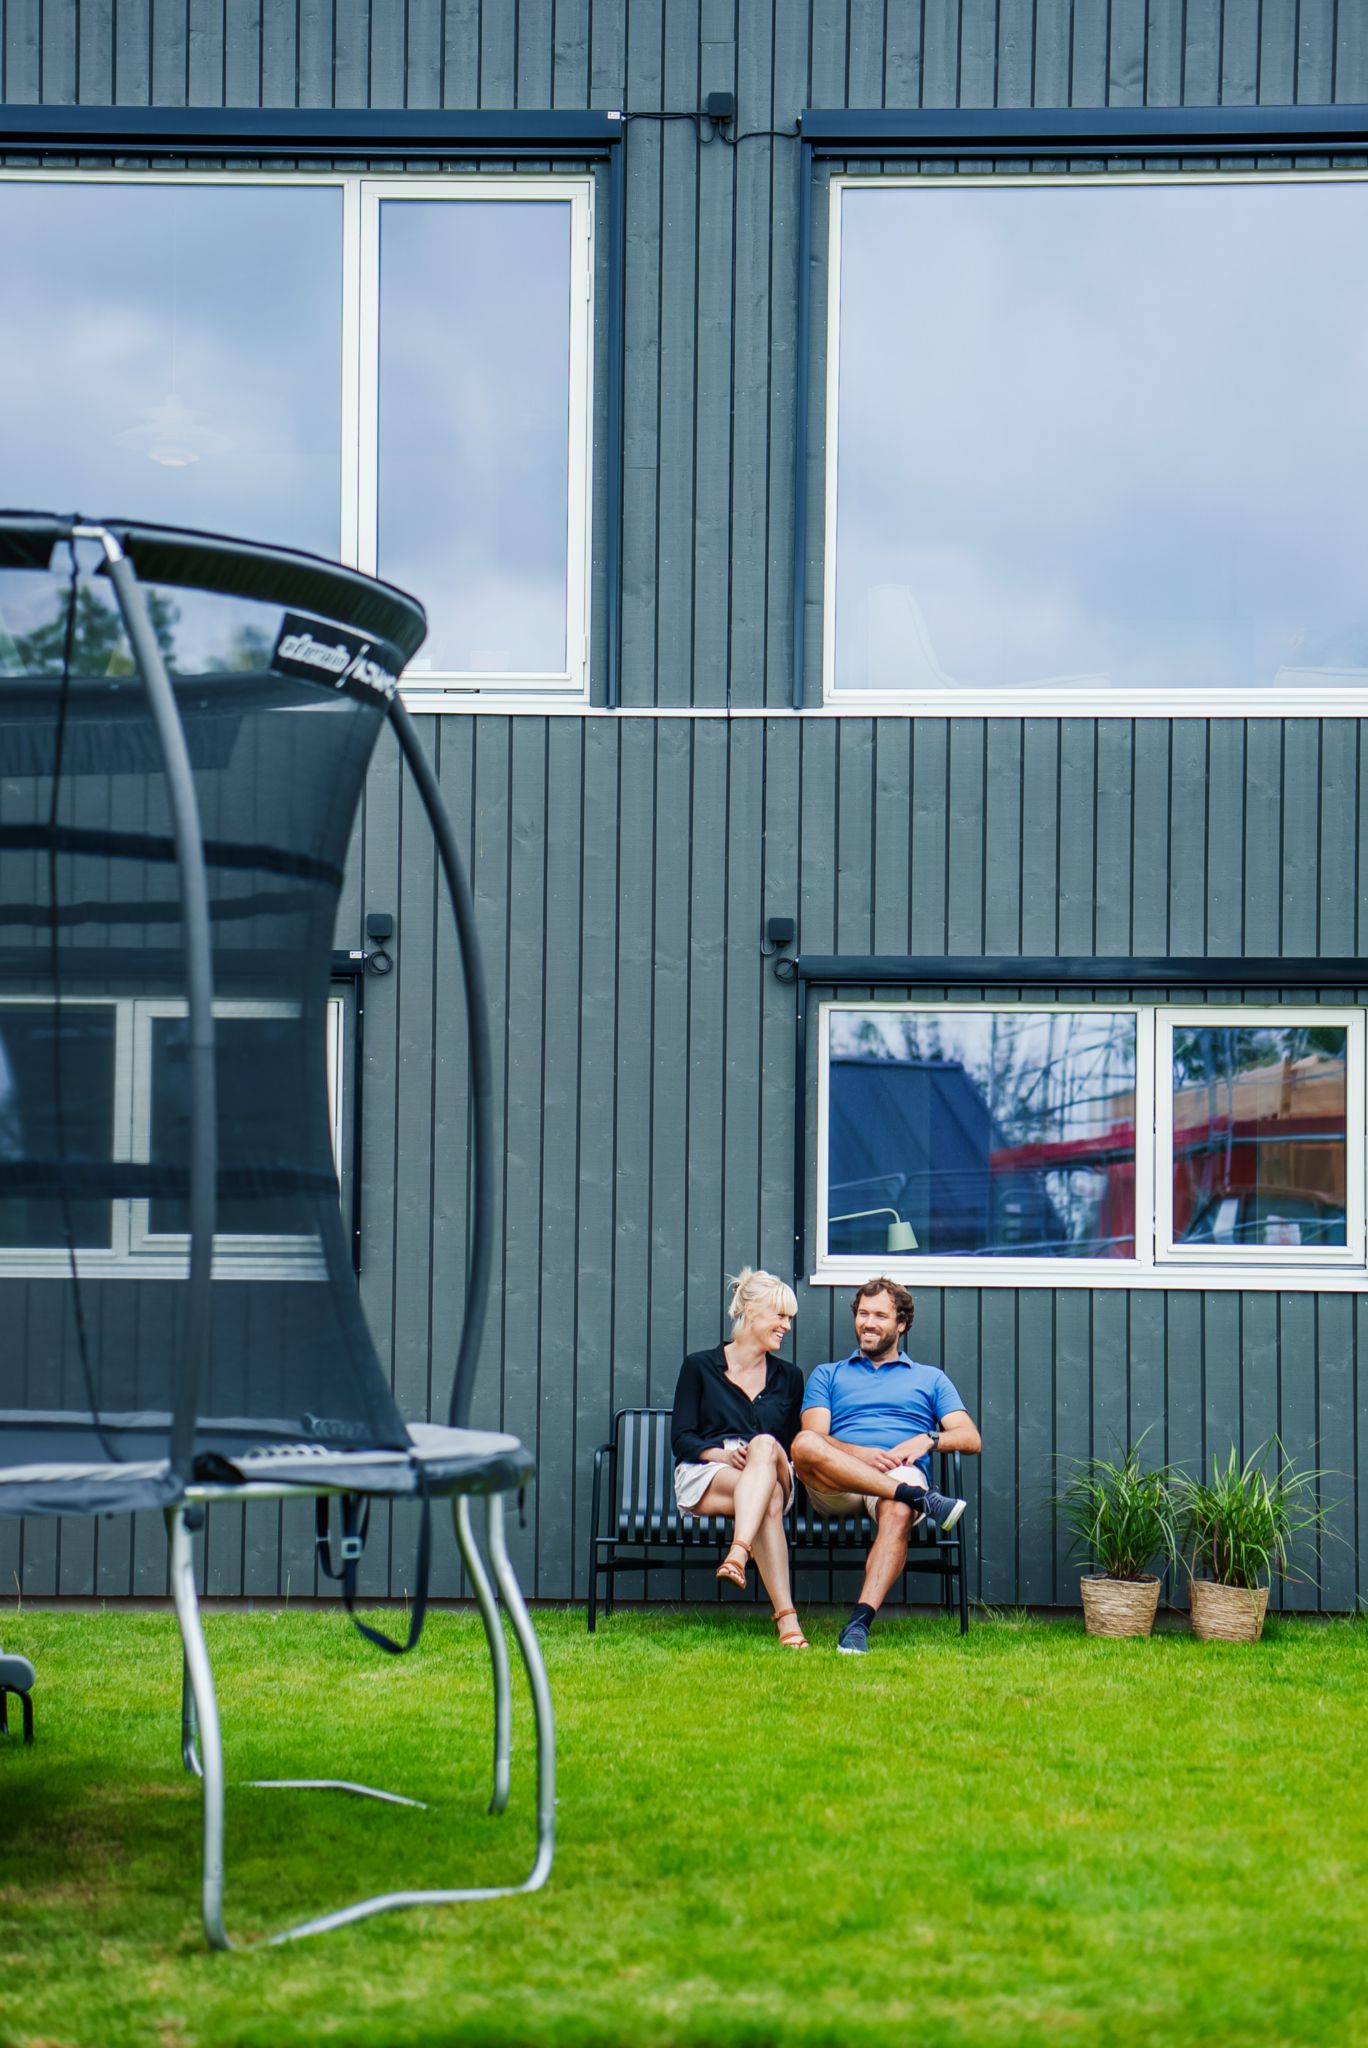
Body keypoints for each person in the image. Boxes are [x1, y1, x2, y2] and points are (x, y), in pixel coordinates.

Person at [791, 1276, 981, 1656]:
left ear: (902, 1324)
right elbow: (815, 1438)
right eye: (863, 1313)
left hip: (897, 1473)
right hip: (838, 1482)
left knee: (897, 1505)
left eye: (880, 1314)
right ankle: (921, 1498)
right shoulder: (828, 1374)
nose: (868, 1322)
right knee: (803, 1442)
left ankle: (859, 1623)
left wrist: (929, 1438)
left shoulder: (930, 1379)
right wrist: (862, 1455)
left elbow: (970, 1438)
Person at [670, 1268, 808, 1648]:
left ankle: (738, 1550)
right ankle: (787, 1621)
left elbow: (793, 1444)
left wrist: (763, 1453)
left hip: (775, 1464)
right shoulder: (699, 1366)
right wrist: (724, 1455)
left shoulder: (790, 1377)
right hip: (712, 1473)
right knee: (768, 1501)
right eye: (780, 1316)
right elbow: (681, 1439)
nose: (787, 1326)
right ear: (750, 1311)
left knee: (764, 1445)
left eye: (790, 1318)